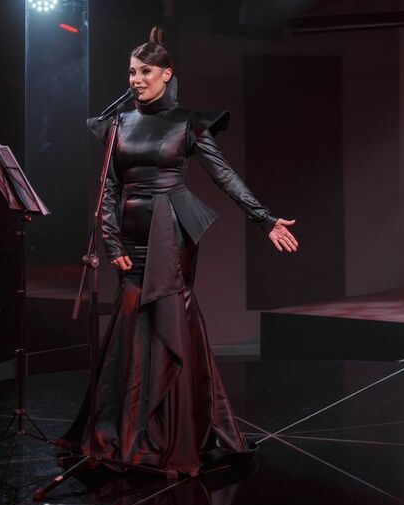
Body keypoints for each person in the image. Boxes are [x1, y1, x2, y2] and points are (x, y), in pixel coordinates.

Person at [57, 27, 299, 478]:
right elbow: (109, 189)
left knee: (170, 319)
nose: (136, 79)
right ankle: (126, 427)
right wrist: (111, 242)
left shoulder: (188, 123)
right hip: (130, 236)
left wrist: (264, 218)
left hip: (172, 234)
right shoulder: (118, 123)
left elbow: (224, 176)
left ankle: (176, 431)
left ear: (166, 74)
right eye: (131, 72)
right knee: (131, 321)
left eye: (145, 72)